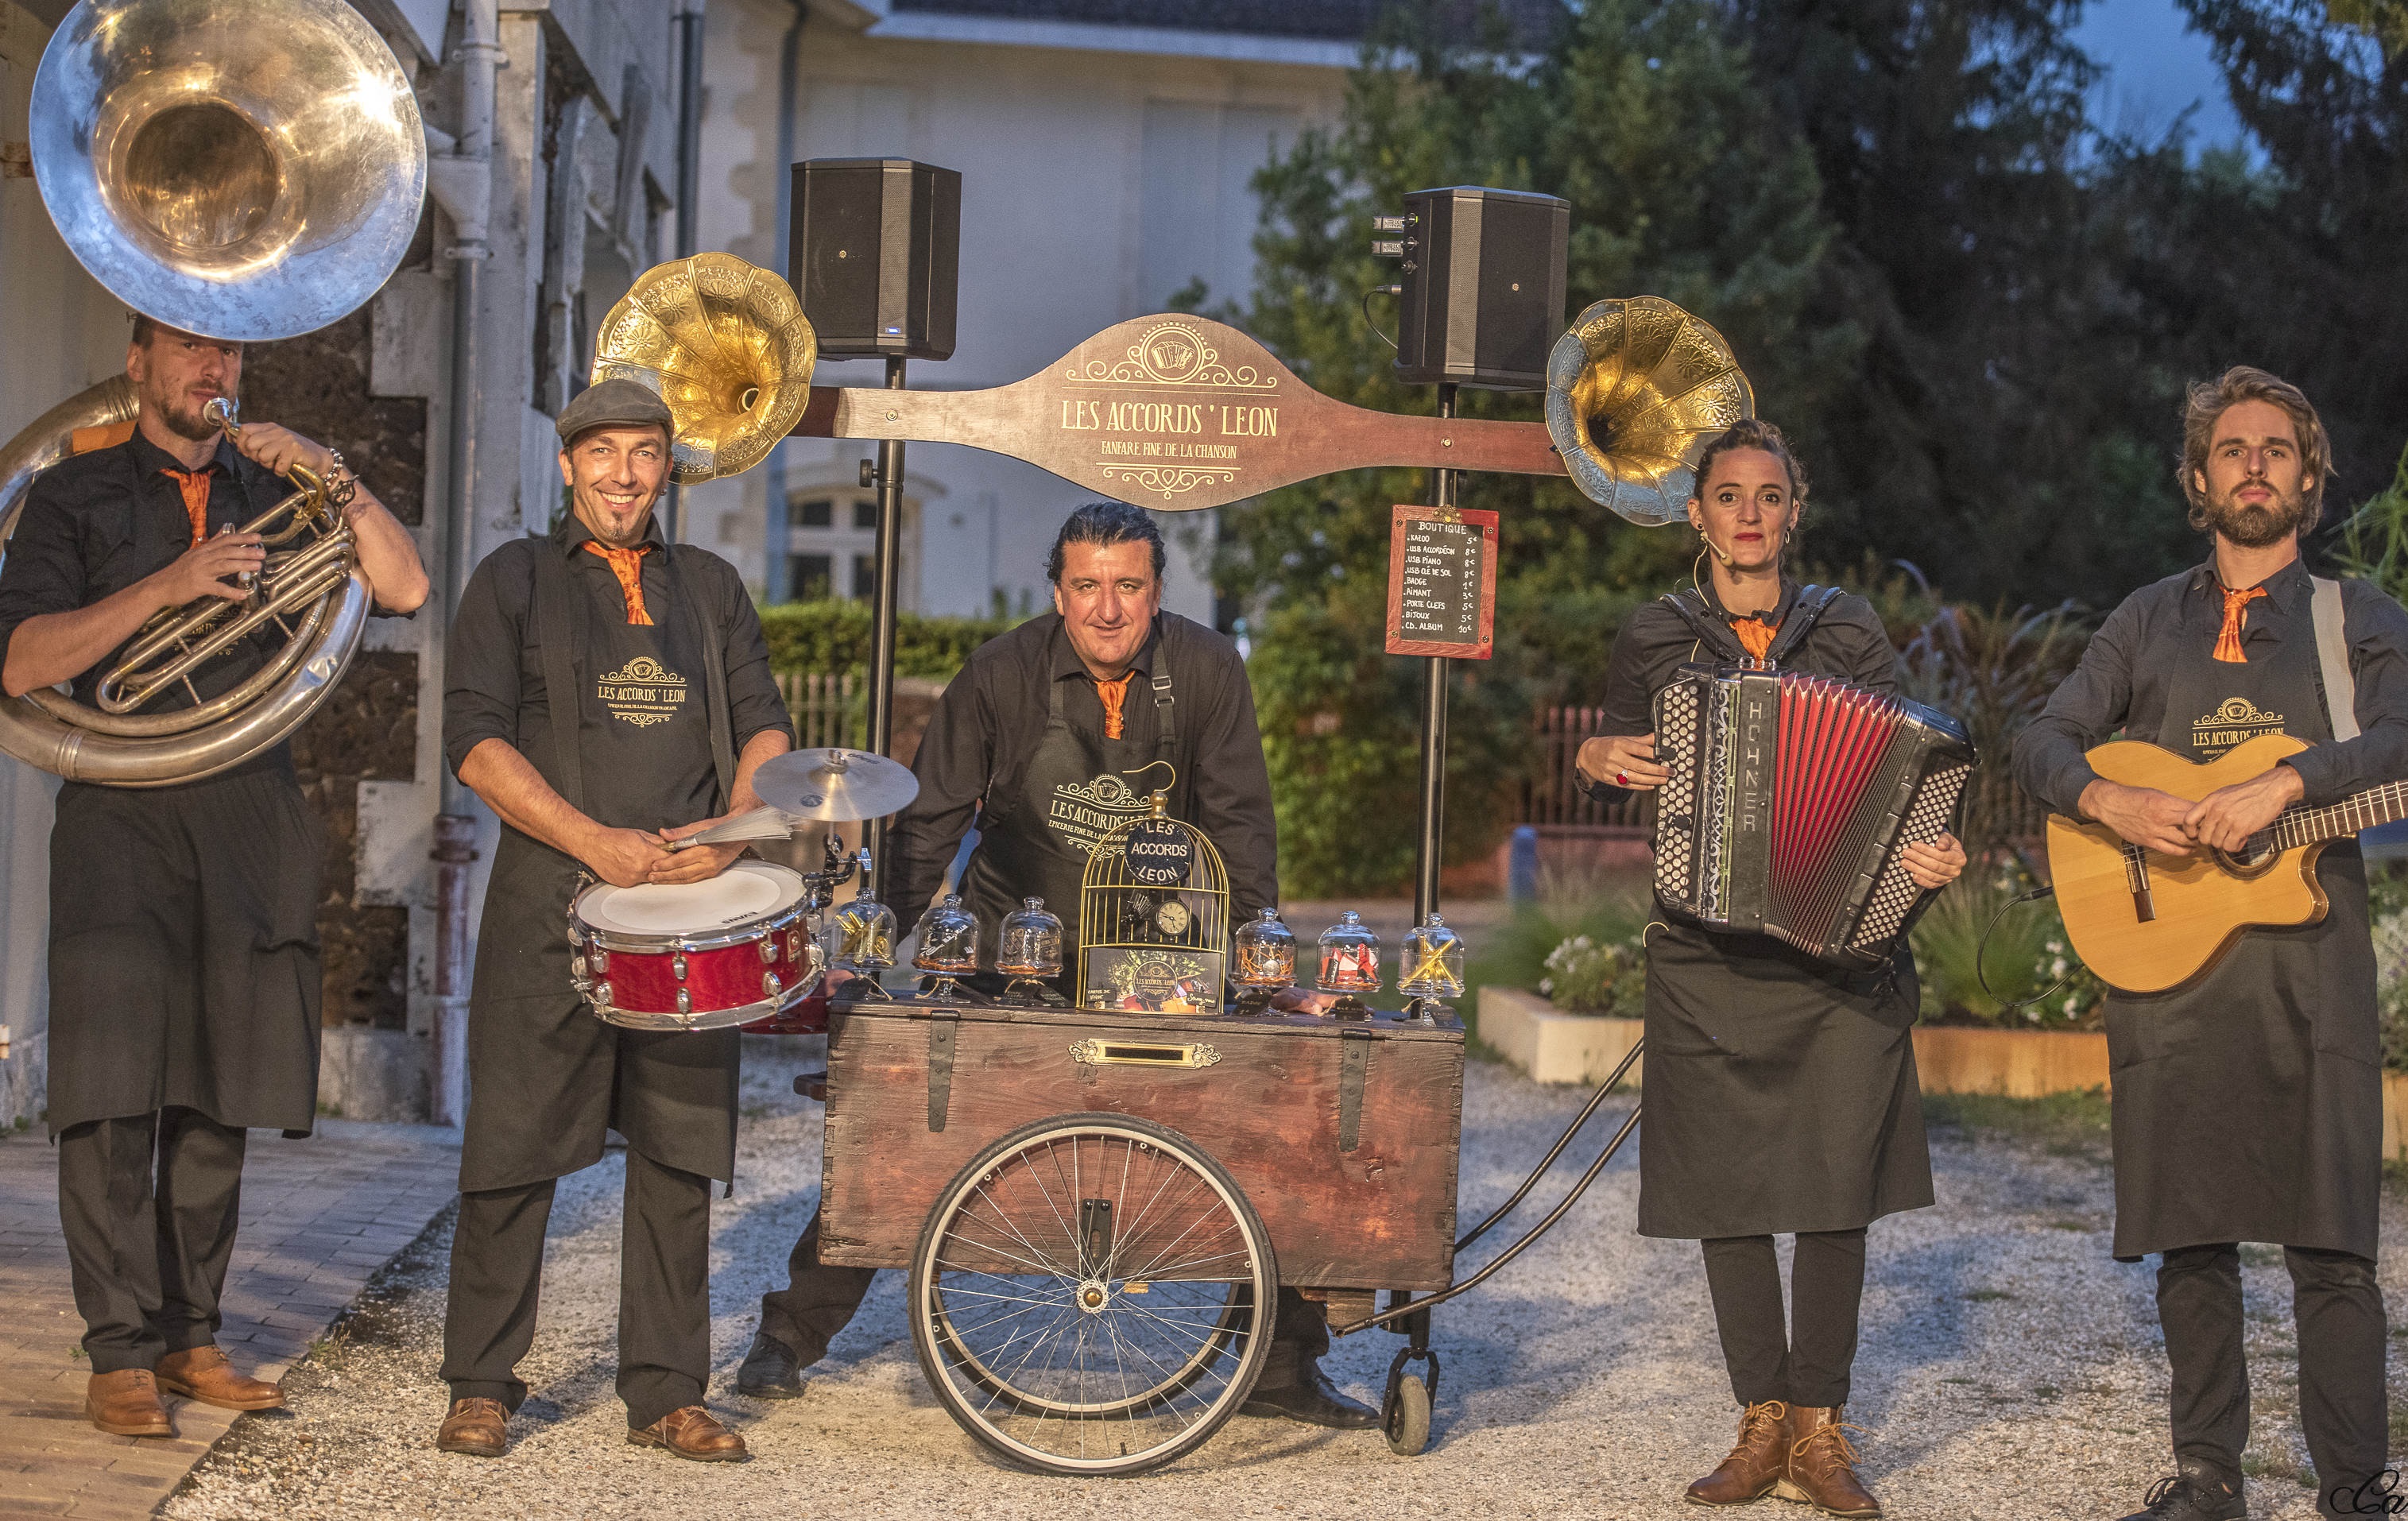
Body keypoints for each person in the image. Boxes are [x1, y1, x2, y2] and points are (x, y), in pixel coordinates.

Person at [734, 500, 1376, 1429]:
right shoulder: (999, 673)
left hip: (1159, 959)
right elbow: (929, 823)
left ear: (1158, 591)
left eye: (1128, 587)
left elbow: (1241, 824)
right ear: (1057, 592)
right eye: (1087, 587)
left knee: (1256, 1124)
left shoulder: (1207, 669)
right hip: (1012, 950)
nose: (1107, 609)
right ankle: (792, 1331)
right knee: (907, 1122)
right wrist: (874, 958)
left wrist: (1263, 970)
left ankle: (1281, 1368)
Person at [0, 315, 428, 1437]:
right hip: (119, 811)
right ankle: (118, 1352)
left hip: (248, 805)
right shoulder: (71, 495)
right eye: (188, 346)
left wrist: (328, 470)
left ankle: (191, 1335)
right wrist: (171, 585)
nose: (212, 366)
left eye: (228, 350)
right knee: (108, 1088)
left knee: (217, 1085)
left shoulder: (279, 486)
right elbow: (23, 660)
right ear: (136, 362)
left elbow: (404, 585)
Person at [2013, 368, 2396, 1521]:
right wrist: (2110, 801)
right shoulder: (2145, 617)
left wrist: (2288, 780)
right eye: (2231, 449)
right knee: (2191, 1233)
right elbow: (2042, 738)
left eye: (2276, 449)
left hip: (2310, 971)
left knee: (2332, 1244)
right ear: (2197, 478)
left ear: (2309, 480)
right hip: (2164, 961)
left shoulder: (2354, 615)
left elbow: (2404, 735)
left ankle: (2352, 1489)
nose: (2253, 465)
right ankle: (2207, 1477)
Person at [1576, 420, 1965, 1517]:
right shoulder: (1657, 632)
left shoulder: (1845, 628)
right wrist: (1594, 753)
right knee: (1725, 1188)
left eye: (1770, 495)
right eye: (1728, 495)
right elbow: (1612, 748)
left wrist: (1931, 851)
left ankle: (1819, 1428)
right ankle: (1760, 1420)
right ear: (1696, 513)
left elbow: (1910, 765)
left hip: (1837, 956)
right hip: (1704, 953)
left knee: (1836, 1191)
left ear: (1794, 513)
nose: (1749, 514)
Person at [435, 378, 795, 1462]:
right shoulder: (511, 579)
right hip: (550, 903)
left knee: (679, 1155)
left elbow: (767, 728)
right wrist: (594, 842)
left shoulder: (713, 587)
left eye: (644, 453)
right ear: (568, 465)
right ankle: (482, 1383)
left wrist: (728, 837)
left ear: (667, 467)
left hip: (688, 912)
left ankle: (666, 1392)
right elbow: (475, 743)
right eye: (602, 453)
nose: (623, 474)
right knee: (511, 1149)